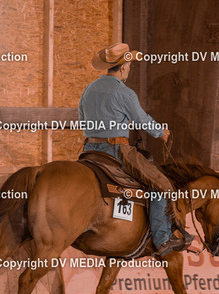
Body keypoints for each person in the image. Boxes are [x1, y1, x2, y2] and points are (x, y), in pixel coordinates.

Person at [78, 43, 193, 257]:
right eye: (129, 66)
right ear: (123, 67)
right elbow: (141, 120)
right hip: (116, 150)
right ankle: (162, 238)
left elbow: (83, 120)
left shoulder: (89, 89)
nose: (128, 70)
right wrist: (161, 132)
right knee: (161, 183)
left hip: (89, 150)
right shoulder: (125, 93)